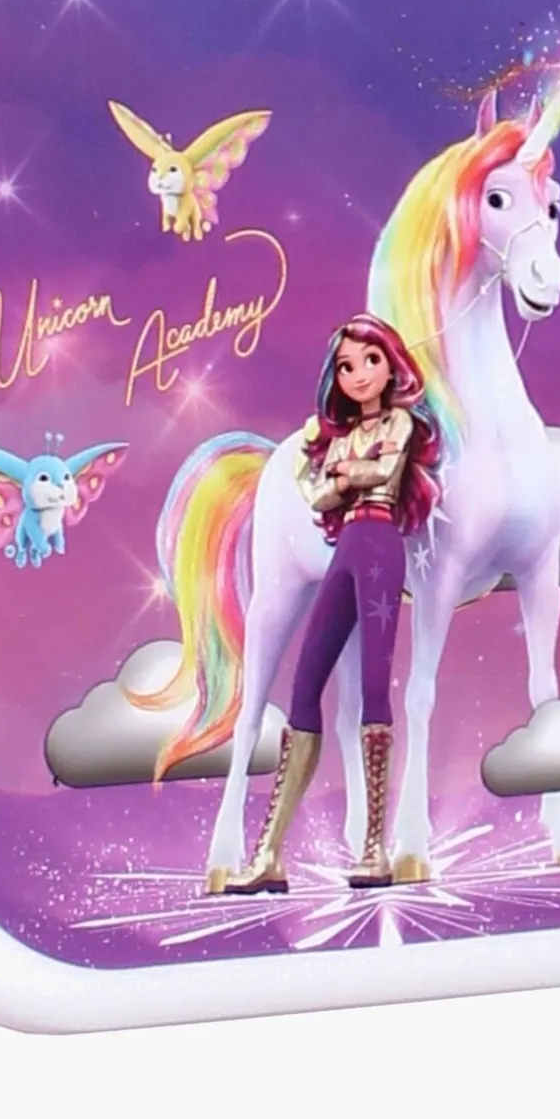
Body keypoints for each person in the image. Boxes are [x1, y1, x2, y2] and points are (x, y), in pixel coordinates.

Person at [223, 313, 442, 894]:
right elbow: (320, 493)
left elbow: (384, 470)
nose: (359, 374)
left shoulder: (400, 422)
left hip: (379, 549)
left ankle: (374, 848)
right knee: (304, 685)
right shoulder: (342, 438)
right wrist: (347, 475)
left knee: (373, 686)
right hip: (346, 549)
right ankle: (269, 853)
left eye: (370, 361)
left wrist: (345, 476)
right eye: (347, 366)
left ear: (391, 363)